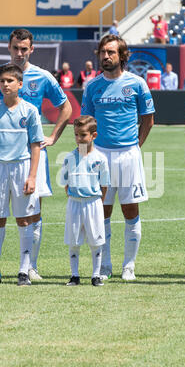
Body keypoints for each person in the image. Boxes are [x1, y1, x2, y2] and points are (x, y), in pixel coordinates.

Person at [0, 28, 72, 282]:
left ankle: (30, 266)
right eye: (15, 48)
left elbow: (66, 107)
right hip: (0, 157)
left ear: (31, 49)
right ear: (8, 47)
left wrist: (52, 137)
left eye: (24, 48)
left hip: (31, 156)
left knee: (33, 211)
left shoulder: (43, 76)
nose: (19, 53)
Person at [81, 34, 154, 281]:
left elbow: (148, 118)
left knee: (130, 210)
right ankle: (105, 265)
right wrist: (84, 159)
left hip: (128, 154)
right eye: (103, 52)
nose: (106, 56)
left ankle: (129, 266)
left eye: (111, 52)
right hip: (100, 155)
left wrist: (136, 147)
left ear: (122, 56)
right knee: (101, 211)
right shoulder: (92, 86)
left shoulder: (137, 83)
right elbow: (85, 125)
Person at [0, 64, 44, 286]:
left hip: (22, 168)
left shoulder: (30, 111)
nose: (5, 84)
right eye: (2, 81)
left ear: (20, 84)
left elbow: (36, 146)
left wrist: (33, 176)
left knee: (24, 219)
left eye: (10, 81)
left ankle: (24, 271)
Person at [60, 115, 110, 287]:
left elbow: (104, 185)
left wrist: (97, 200)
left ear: (93, 135)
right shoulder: (69, 158)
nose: (79, 139)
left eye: (83, 135)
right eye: (76, 135)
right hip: (74, 202)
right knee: (73, 240)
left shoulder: (100, 159)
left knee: (96, 240)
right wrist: (74, 195)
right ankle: (74, 275)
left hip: (93, 202)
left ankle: (96, 275)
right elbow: (65, 183)